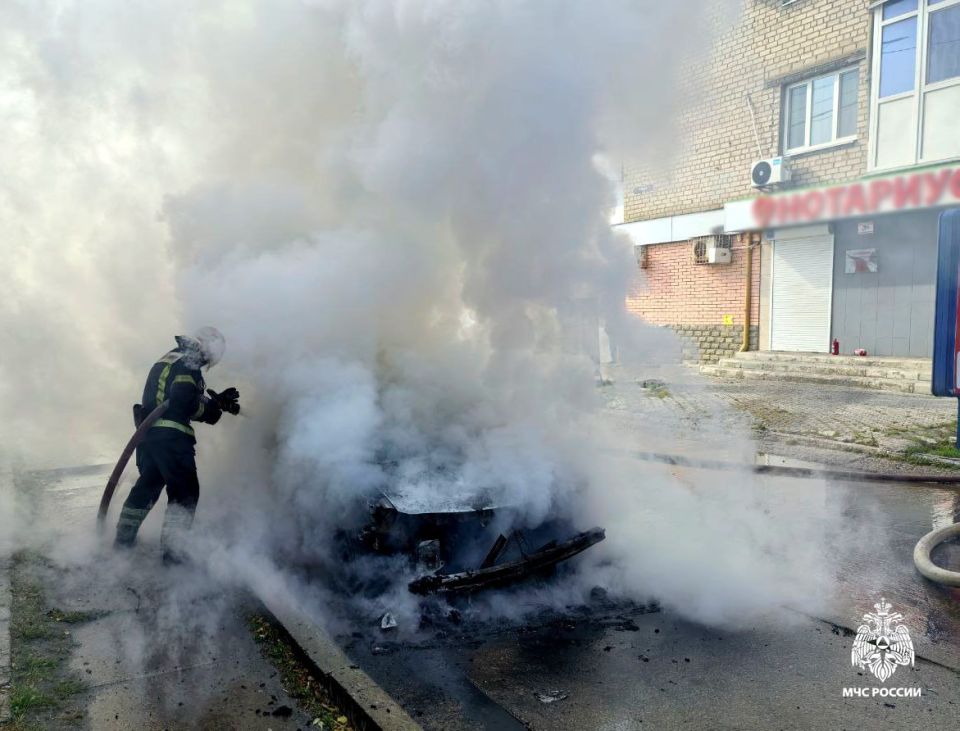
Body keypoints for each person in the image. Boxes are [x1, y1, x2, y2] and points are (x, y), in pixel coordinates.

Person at [114, 326, 239, 563]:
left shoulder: (174, 357)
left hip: (150, 438)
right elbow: (183, 402)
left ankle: (122, 542)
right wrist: (211, 409)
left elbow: (179, 395)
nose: (207, 361)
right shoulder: (190, 361)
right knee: (185, 493)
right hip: (172, 437)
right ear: (208, 347)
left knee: (147, 488)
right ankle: (174, 556)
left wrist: (217, 402)